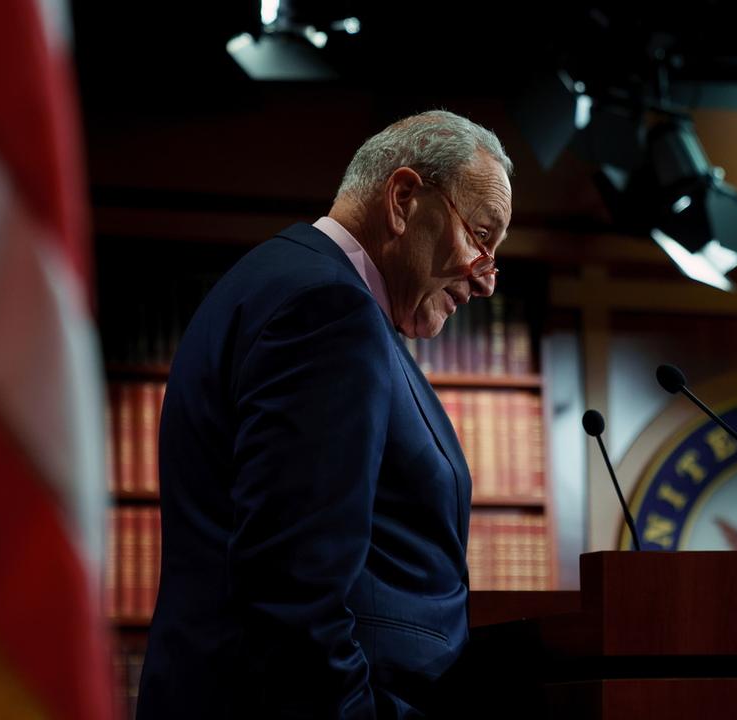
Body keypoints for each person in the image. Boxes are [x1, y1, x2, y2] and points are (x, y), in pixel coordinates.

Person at [137, 110, 514, 719]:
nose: (485, 280)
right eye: (481, 237)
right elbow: (292, 588)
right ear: (403, 199)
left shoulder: (284, 282)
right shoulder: (327, 310)